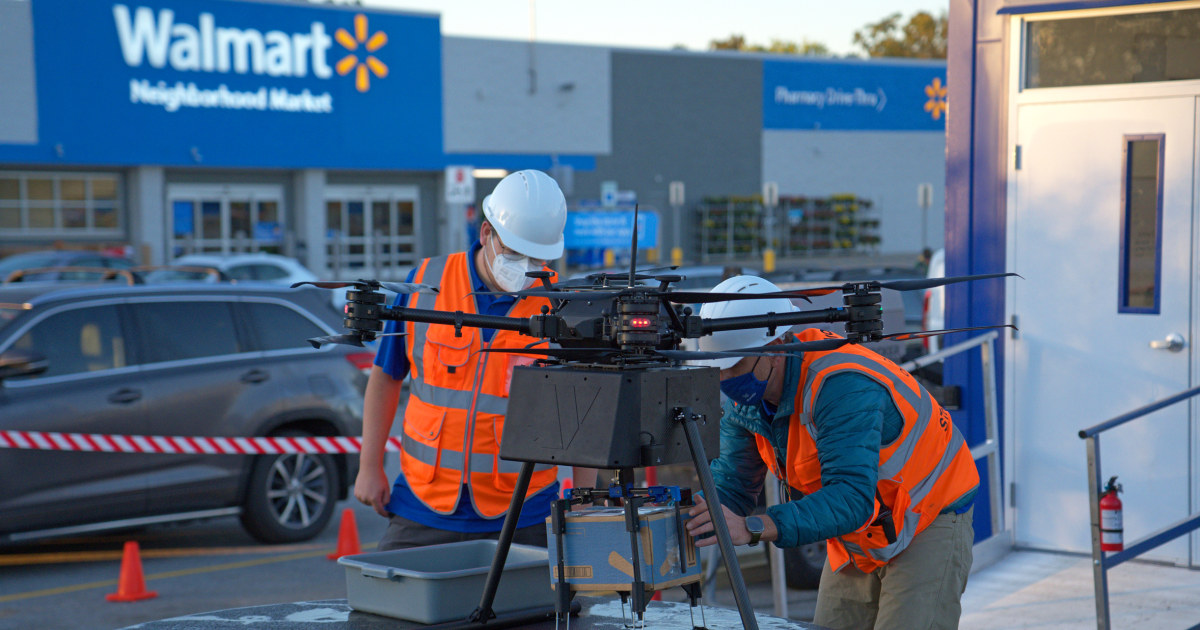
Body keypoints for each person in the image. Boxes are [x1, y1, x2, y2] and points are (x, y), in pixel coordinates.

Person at [685, 275, 978, 629]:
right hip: (865, 527)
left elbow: (852, 498)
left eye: (736, 365)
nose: (725, 379)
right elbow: (733, 485)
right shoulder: (746, 401)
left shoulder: (840, 385)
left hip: (928, 514)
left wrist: (754, 528)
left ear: (776, 346)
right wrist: (686, 515)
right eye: (718, 368)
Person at [355, 169, 592, 550]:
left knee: (541, 611)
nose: (526, 266)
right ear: (486, 234)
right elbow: (385, 377)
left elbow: (584, 411)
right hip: (423, 502)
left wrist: (585, 502)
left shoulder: (561, 306)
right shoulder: (426, 283)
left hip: (523, 510)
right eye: (516, 252)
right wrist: (369, 468)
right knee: (387, 603)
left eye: (537, 257)